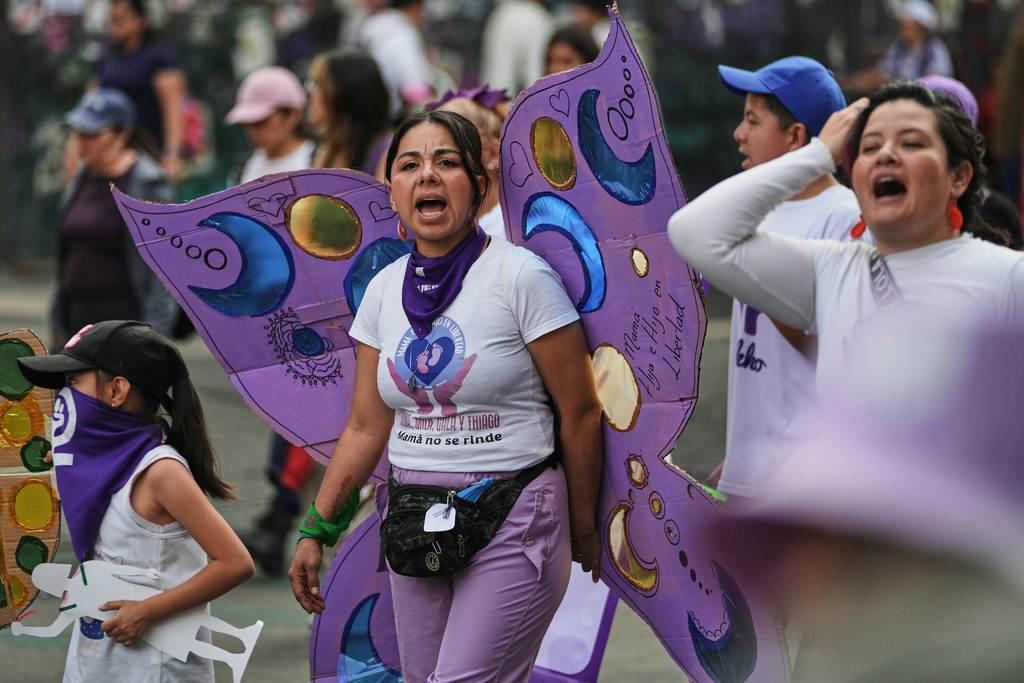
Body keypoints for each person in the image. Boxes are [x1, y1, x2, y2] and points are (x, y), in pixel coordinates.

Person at [289, 110, 603, 681]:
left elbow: (581, 412)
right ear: (393, 194)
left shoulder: (523, 278)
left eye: (447, 162)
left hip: (518, 516)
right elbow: (364, 427)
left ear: (478, 188)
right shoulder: (381, 293)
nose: (427, 176)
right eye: (409, 165)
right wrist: (317, 527)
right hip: (414, 521)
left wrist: (584, 527)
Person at [668, 80, 1024, 400]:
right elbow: (694, 231)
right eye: (869, 147)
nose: (885, 155)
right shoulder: (832, 269)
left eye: (911, 142)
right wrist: (819, 153)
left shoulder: (1009, 277)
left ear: (959, 176)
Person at [17, 320, 254, 681]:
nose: (63, 397)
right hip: (95, 664)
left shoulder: (160, 472)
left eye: (73, 382)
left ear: (117, 391)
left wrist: (149, 611)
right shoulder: (99, 458)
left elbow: (236, 563)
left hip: (157, 669)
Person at [705, 57, 862, 501]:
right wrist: (740, 452)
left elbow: (845, 360)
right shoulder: (759, 210)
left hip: (804, 484)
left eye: (753, 120)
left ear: (796, 139)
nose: (739, 133)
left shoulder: (844, 218)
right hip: (752, 470)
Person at [224, 64, 318, 575]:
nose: (256, 130)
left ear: (292, 114)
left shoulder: (313, 161)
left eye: (264, 119)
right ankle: (282, 518)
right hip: (266, 311)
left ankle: (282, 521)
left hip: (311, 314)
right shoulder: (251, 163)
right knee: (281, 411)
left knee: (303, 420)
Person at [52, 88, 179, 349]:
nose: (82, 141)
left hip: (125, 327)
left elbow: (166, 270)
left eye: (93, 134)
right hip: (77, 322)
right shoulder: (81, 179)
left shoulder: (148, 183)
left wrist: (153, 338)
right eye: (79, 133)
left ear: (123, 134)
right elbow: (65, 255)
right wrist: (57, 321)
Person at [93, 0, 188, 182]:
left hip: (150, 151)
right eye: (112, 20)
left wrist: (173, 155)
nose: (115, 26)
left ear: (141, 20)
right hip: (111, 154)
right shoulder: (106, 56)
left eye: (121, 19)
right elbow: (93, 99)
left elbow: (173, 107)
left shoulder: (157, 55)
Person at [432, 86, 511, 239]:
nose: (429, 170)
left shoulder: (516, 232)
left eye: (452, 148)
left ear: (494, 154)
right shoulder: (429, 226)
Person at [306, 48, 393, 178]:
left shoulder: (388, 154)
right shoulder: (328, 150)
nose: (311, 93)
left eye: (318, 84)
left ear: (345, 93)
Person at [225, 65, 316, 184]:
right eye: (248, 123)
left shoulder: (322, 161)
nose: (253, 131)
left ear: (293, 114)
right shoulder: (240, 171)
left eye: (261, 121)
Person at [841, 0, 953, 94]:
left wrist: (890, 83)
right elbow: (880, 73)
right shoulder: (899, 47)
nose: (904, 30)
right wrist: (851, 81)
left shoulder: (934, 49)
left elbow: (934, 84)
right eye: (903, 25)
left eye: (909, 26)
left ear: (922, 28)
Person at [355, 0, 434, 120]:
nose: (422, 17)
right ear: (412, 5)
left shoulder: (372, 28)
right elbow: (414, 85)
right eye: (421, 10)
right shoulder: (403, 33)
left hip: (365, 109)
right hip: (391, 115)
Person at [480, 0, 556, 96]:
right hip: (534, 102)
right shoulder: (540, 19)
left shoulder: (502, 14)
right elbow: (534, 74)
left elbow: (499, 75)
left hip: (499, 101)